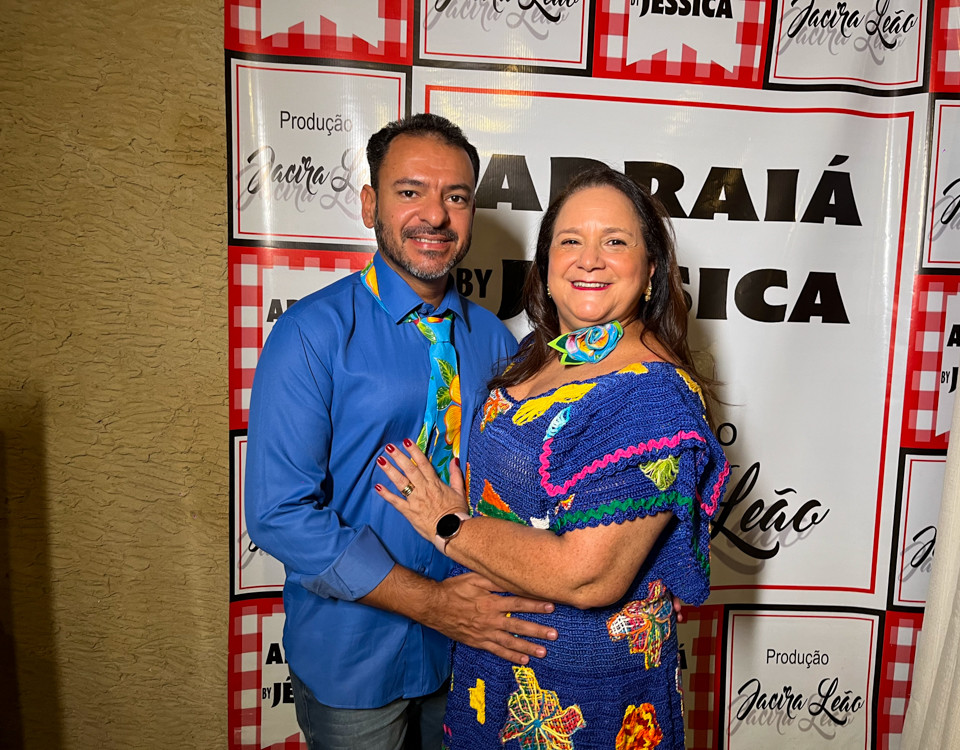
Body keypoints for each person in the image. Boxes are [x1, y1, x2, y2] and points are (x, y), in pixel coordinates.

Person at [375, 166, 731, 749]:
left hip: (583, 700)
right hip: (490, 672)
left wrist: (448, 525)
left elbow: (588, 575)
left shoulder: (652, 397)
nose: (589, 260)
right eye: (570, 240)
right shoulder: (542, 353)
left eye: (615, 241)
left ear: (650, 269)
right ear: (545, 266)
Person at [244, 113, 559, 750]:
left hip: (472, 652)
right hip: (353, 659)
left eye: (456, 197)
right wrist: (433, 604)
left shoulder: (495, 340)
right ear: (370, 204)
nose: (435, 215)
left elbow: (522, 486)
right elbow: (279, 514)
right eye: (410, 191)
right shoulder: (311, 334)